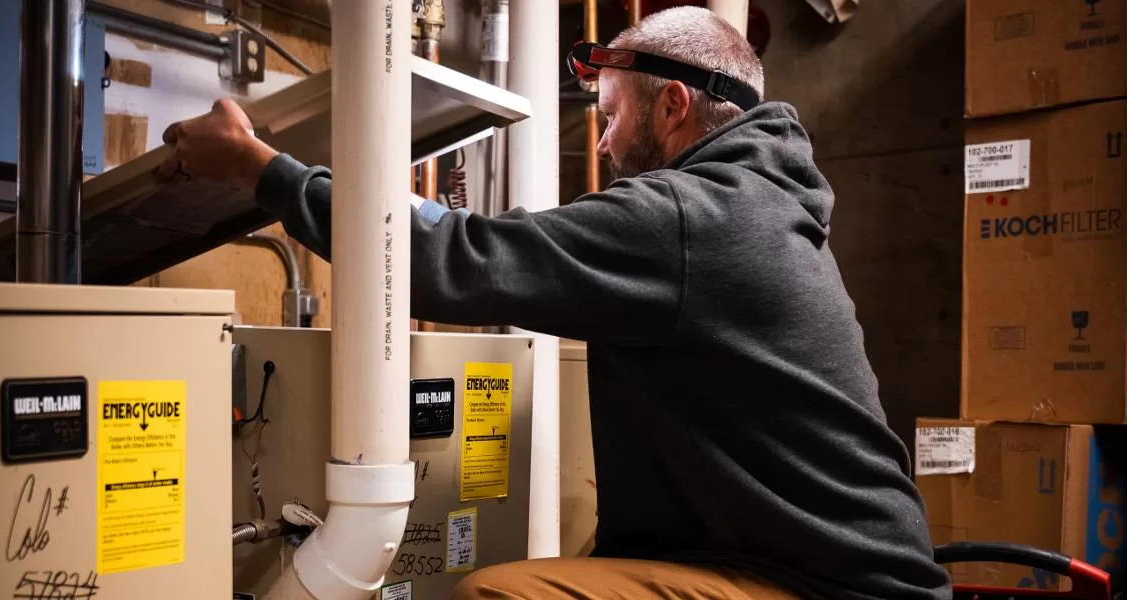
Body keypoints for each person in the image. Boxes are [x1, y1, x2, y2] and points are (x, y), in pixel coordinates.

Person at [160, 6, 951, 600]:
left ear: (673, 105)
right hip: (819, 571)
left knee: (500, 595)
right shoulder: (761, 205)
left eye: (609, 117)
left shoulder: (687, 219)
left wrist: (262, 170)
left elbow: (446, 254)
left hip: (830, 589)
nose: (602, 145)